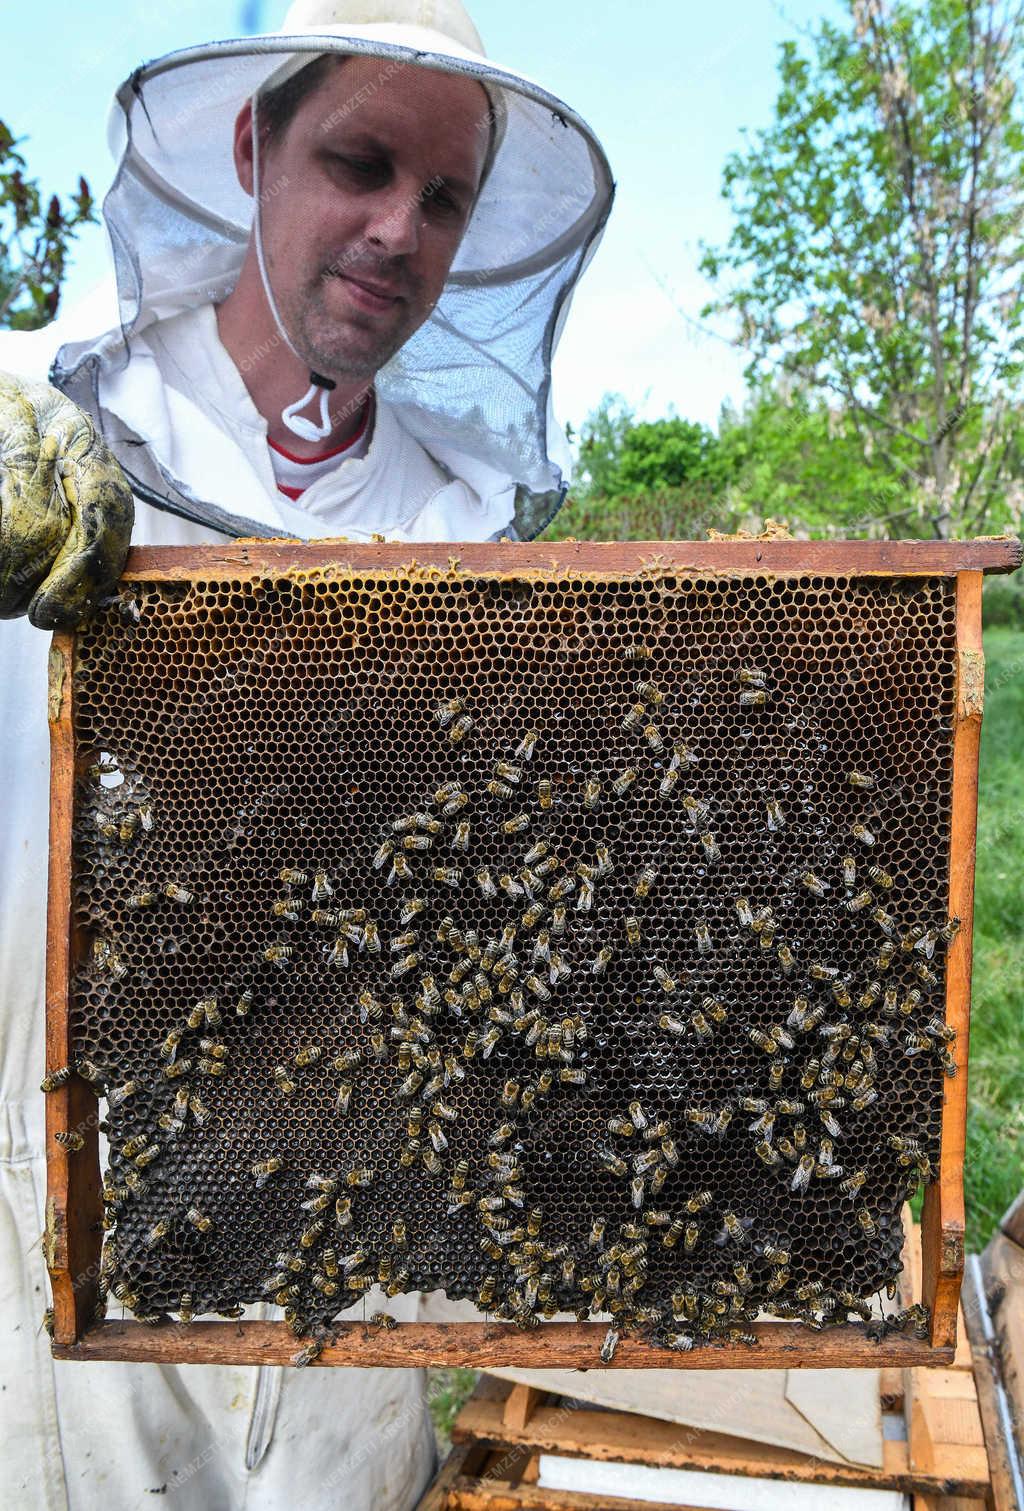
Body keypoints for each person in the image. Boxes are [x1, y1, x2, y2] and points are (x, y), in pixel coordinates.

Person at [0, 2, 613, 1506]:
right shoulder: (46, 411)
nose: (399, 227)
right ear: (252, 146)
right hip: (42, 1222)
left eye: (445, 197)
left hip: (358, 1236)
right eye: (358, 162)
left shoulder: (465, 525)